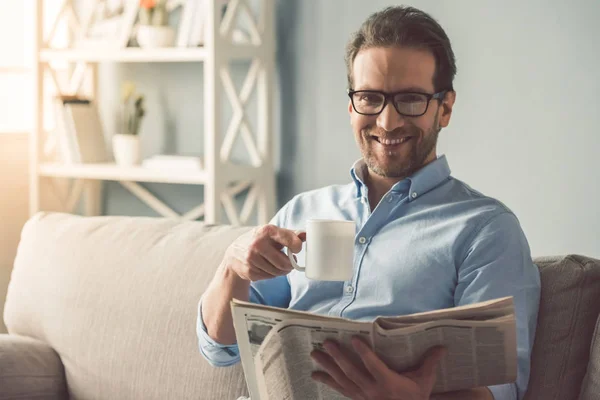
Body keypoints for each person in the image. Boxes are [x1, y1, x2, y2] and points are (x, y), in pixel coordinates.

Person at [197, 5, 540, 400]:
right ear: (351, 105)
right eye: (370, 98)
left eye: (410, 99)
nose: (387, 121)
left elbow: (501, 389)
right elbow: (221, 348)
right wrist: (232, 266)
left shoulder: (485, 230)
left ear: (444, 108)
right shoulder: (301, 212)